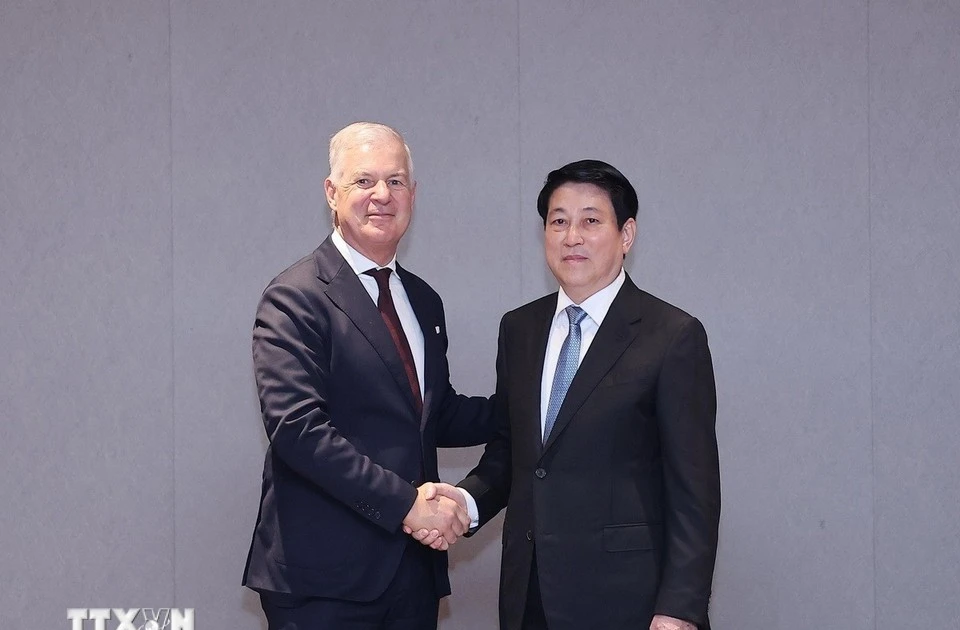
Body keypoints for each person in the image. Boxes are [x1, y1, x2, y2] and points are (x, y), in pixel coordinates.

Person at [419, 159, 720, 629]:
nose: (571, 236)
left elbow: (694, 491)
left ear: (627, 235)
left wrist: (679, 608)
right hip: (531, 595)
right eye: (558, 221)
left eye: (591, 220)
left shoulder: (672, 336)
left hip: (630, 602)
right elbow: (514, 455)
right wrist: (464, 504)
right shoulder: (519, 329)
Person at [242, 121, 493, 629]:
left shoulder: (423, 300)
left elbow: (431, 412)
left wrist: (540, 399)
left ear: (414, 195)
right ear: (332, 193)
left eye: (396, 181)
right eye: (364, 181)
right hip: (322, 581)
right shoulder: (296, 297)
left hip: (411, 576)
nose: (382, 195)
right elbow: (298, 431)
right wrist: (407, 505)